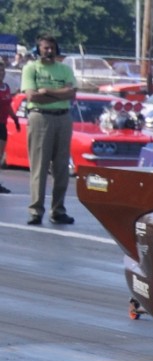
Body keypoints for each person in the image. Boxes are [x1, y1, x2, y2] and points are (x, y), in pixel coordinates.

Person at [21, 34, 76, 225]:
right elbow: (32, 97)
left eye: (52, 48)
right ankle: (36, 210)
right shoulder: (31, 69)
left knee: (61, 167)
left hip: (63, 117)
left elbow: (72, 92)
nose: (50, 51)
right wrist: (59, 95)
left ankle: (58, 210)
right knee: (39, 167)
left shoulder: (65, 69)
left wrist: (47, 91)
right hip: (40, 117)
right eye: (45, 48)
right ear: (38, 50)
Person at [0, 66, 21, 194]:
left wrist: (15, 118)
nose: (1, 73)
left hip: (2, 124)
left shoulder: (6, 87)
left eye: (2, 71)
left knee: (0, 156)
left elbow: (7, 106)